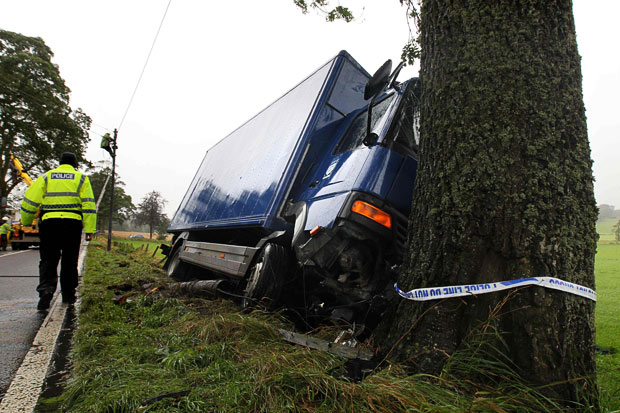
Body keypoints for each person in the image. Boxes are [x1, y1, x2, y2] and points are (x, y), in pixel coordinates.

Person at [20, 152, 97, 311]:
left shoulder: (47, 177)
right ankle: (68, 294)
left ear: (60, 163)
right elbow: (89, 205)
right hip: (72, 224)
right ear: (75, 164)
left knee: (48, 259)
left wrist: (26, 221)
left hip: (49, 223)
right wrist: (90, 229)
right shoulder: (81, 179)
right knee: (70, 260)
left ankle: (46, 291)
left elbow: (30, 199)